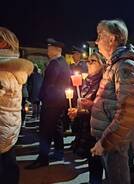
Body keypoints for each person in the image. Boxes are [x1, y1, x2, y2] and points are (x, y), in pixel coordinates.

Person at [90, 19, 134, 184]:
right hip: (109, 138)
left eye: (100, 36)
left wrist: (106, 142)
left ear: (112, 39)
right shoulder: (114, 65)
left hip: (113, 141)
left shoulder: (124, 66)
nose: (97, 41)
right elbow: (111, 101)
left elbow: (127, 112)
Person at [26, 38, 71, 169]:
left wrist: (43, 98)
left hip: (51, 103)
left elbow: (49, 84)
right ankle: (58, 152)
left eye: (50, 48)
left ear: (57, 50)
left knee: (45, 131)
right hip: (59, 102)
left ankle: (43, 158)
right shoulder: (63, 62)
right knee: (57, 128)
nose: (48, 50)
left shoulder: (55, 63)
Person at [0, 27, 33, 183]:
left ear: (3, 44)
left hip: (3, 127)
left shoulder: (3, 72)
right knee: (8, 163)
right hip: (8, 127)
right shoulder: (11, 68)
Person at [68, 52, 104, 184]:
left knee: (97, 159)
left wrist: (92, 105)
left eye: (93, 61)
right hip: (85, 124)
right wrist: (76, 111)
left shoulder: (103, 81)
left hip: (97, 126)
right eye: (88, 61)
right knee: (91, 157)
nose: (88, 63)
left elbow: (105, 105)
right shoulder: (88, 80)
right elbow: (82, 103)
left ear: (101, 64)